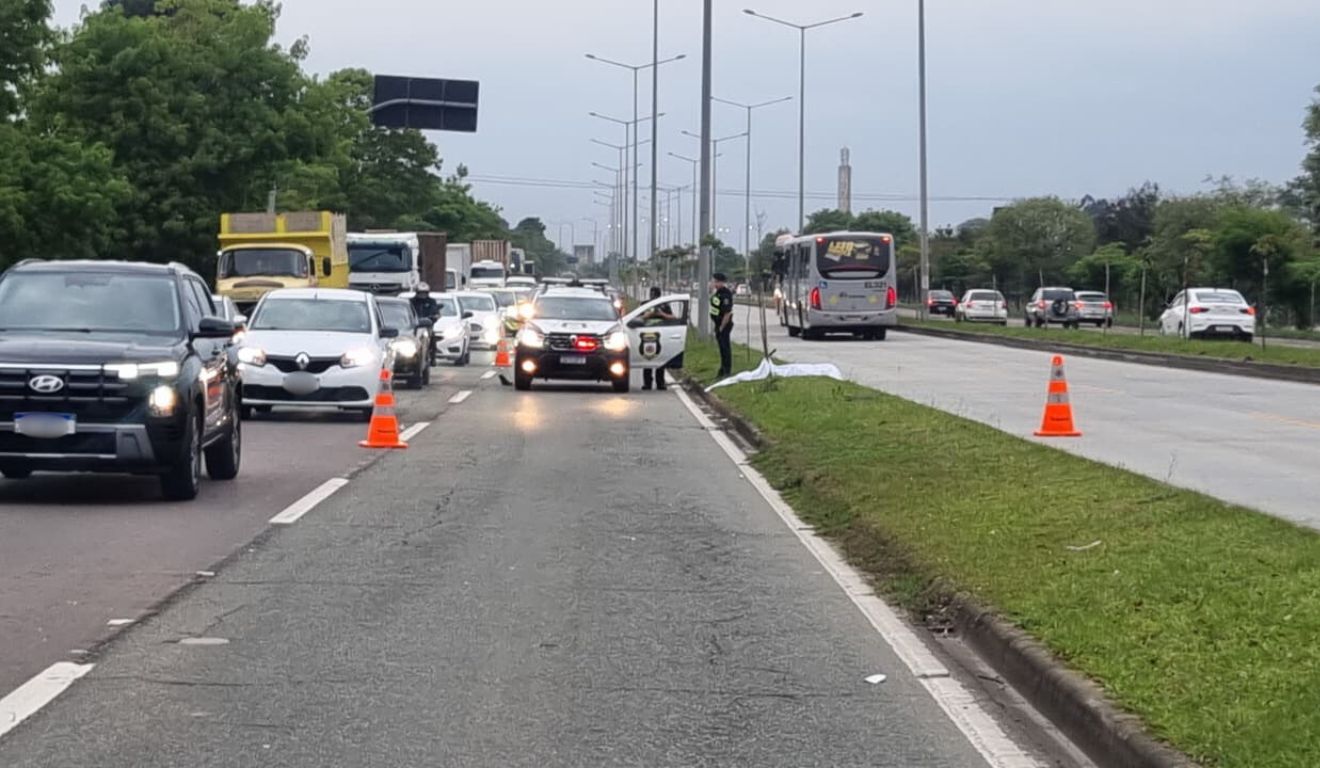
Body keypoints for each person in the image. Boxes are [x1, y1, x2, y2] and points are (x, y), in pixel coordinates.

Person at [640, 286, 675, 391]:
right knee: (647, 359)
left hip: (661, 334)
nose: (653, 296)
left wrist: (661, 314)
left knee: (660, 359)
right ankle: (647, 383)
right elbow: (638, 317)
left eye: (655, 294)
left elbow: (673, 317)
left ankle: (660, 383)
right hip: (646, 334)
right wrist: (650, 314)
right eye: (652, 294)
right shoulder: (644, 304)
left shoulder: (664, 305)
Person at [711, 272, 734, 377]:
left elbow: (727, 313)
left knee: (725, 348)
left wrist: (721, 327)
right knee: (721, 348)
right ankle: (722, 368)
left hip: (724, 325)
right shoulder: (718, 292)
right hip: (718, 324)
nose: (714, 283)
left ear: (721, 282)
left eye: (715, 281)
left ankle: (727, 370)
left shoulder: (725, 294)